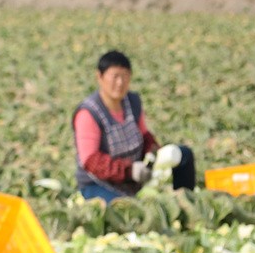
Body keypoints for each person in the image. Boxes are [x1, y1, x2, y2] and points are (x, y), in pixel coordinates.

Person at [73, 50, 195, 203]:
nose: (120, 83)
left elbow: (144, 135)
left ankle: (186, 201)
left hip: (135, 176)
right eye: (115, 76)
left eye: (125, 76)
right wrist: (129, 171)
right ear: (100, 77)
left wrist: (152, 151)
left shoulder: (132, 101)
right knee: (128, 211)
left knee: (184, 155)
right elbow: (91, 161)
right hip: (100, 183)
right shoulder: (88, 113)